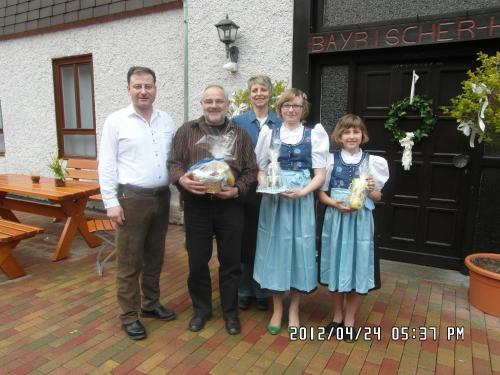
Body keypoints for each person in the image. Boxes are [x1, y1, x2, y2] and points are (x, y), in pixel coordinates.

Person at [168, 85, 257, 335]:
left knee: (230, 263)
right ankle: (201, 310)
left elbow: (251, 170)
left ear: (227, 104)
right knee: (197, 261)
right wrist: (182, 179)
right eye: (209, 101)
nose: (214, 106)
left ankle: (230, 313)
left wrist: (237, 189)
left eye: (219, 101)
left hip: (229, 206)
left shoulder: (239, 134)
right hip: (196, 206)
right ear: (202, 104)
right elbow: (173, 163)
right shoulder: (186, 131)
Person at [99, 66, 177, 340]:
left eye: (148, 86)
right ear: (128, 88)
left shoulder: (166, 120)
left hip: (161, 197)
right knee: (129, 261)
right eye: (137, 86)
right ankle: (129, 315)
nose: (143, 91)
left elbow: (174, 159)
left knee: (155, 257)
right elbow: (106, 163)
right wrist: (111, 201)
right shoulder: (116, 121)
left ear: (156, 88)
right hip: (131, 200)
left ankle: (151, 305)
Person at [253, 88, 329, 334]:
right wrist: (268, 186)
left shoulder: (313, 135)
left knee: (299, 251)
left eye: (296, 106)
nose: (291, 110)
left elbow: (320, 174)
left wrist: (304, 191)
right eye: (287, 105)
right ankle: (277, 307)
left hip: (301, 201)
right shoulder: (269, 133)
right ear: (280, 109)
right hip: (275, 202)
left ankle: (294, 307)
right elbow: (261, 168)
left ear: (303, 110)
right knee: (275, 251)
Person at [318, 114, 389, 341]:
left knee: (356, 267)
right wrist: (333, 204)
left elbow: (378, 197)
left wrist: (369, 188)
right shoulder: (330, 160)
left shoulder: (373, 161)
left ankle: (349, 322)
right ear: (339, 135)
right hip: (337, 218)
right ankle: (337, 317)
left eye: (356, 132)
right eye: (347, 132)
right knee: (337, 266)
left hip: (360, 221)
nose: (351, 136)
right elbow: (321, 193)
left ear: (362, 135)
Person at [232, 75, 282, 311]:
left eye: (263, 89)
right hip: (245, 190)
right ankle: (243, 288)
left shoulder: (280, 123)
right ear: (249, 94)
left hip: (272, 190)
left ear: (270, 94)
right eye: (254, 90)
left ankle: (261, 289)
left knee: (266, 240)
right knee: (244, 240)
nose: (259, 93)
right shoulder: (238, 122)